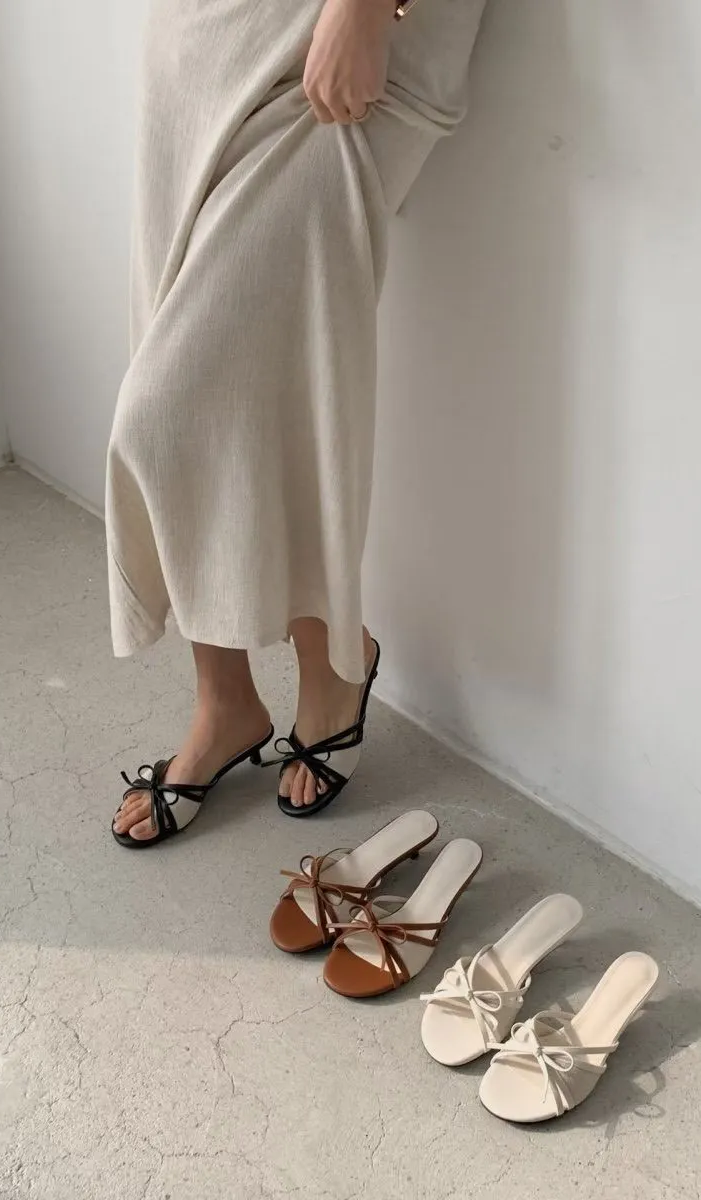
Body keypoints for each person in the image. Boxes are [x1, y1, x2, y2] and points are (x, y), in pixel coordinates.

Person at [107, 0, 487, 847]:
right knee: (191, 386)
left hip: (353, 33)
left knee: (171, 409)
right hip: (200, 38)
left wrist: (364, 8)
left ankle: (331, 663)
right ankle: (224, 702)